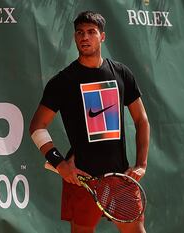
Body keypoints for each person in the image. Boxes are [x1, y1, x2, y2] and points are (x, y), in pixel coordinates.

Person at [30, 11, 150, 233]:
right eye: (80, 33)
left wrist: (141, 164)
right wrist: (60, 164)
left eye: (91, 32)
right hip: (81, 179)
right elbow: (37, 127)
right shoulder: (62, 82)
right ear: (75, 38)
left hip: (120, 177)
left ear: (102, 37)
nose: (85, 37)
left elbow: (141, 120)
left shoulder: (122, 74)